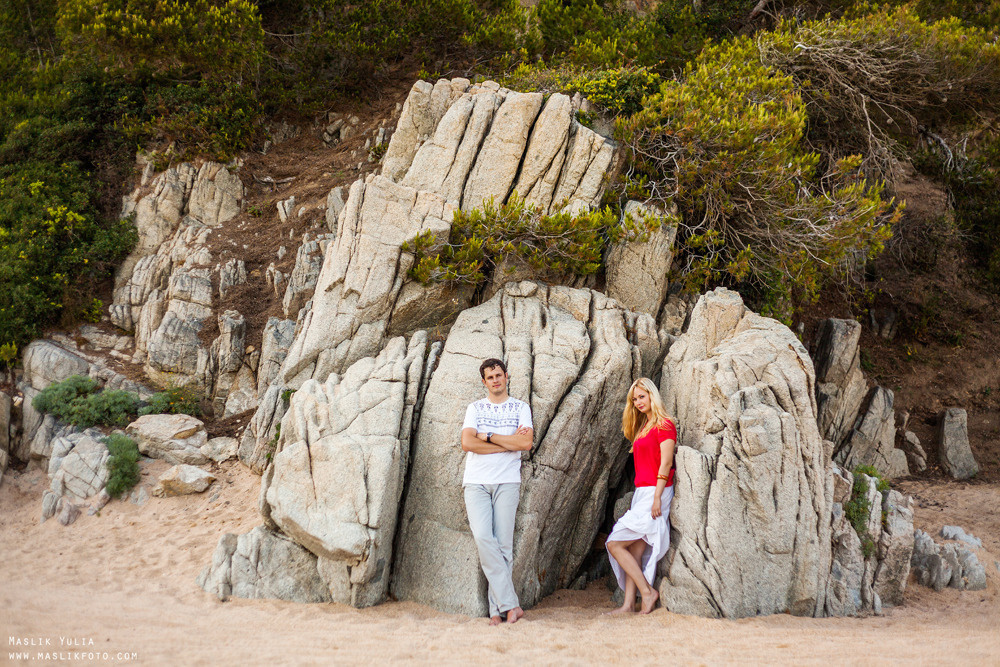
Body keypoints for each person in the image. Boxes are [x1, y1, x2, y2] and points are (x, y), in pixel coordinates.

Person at [461, 358, 534, 625]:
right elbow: (467, 443)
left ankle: (497, 611)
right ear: (484, 381)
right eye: (490, 377)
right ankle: (511, 604)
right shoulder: (475, 408)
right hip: (476, 482)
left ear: (506, 376)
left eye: (499, 375)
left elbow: (525, 442)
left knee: (504, 546)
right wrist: (507, 443)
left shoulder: (520, 407)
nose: (495, 380)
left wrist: (489, 437)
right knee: (483, 538)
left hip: (507, 481)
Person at [606, 377, 677, 615]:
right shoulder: (642, 427)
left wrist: (657, 497)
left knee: (615, 543)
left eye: (641, 396)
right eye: (634, 399)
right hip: (642, 493)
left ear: (652, 395)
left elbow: (666, 463)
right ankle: (628, 605)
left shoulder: (665, 424)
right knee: (633, 550)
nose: (638, 402)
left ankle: (647, 592)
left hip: (656, 492)